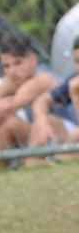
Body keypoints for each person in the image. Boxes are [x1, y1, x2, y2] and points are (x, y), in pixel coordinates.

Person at [0, 34, 58, 173]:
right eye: (6, 66)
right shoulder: (13, 80)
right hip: (34, 137)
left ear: (33, 60)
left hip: (61, 136)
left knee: (8, 123)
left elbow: (8, 107)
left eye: (18, 63)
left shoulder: (42, 78)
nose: (12, 71)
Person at [26, 36, 79, 165]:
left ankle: (57, 160)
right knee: (46, 120)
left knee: (75, 136)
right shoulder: (74, 80)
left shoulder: (75, 87)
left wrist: (75, 95)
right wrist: (42, 122)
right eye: (77, 61)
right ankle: (32, 164)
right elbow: (41, 101)